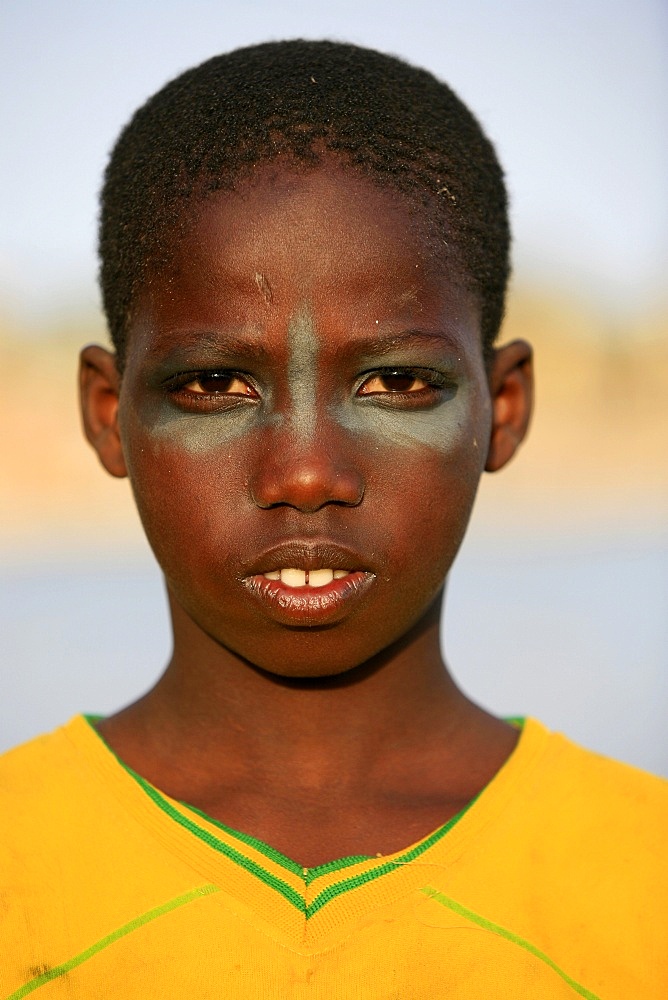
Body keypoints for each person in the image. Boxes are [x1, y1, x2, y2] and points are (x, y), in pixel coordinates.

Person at [1, 40, 665, 999]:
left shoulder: (646, 879)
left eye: (397, 382)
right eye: (214, 383)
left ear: (503, 408)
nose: (306, 472)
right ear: (110, 416)